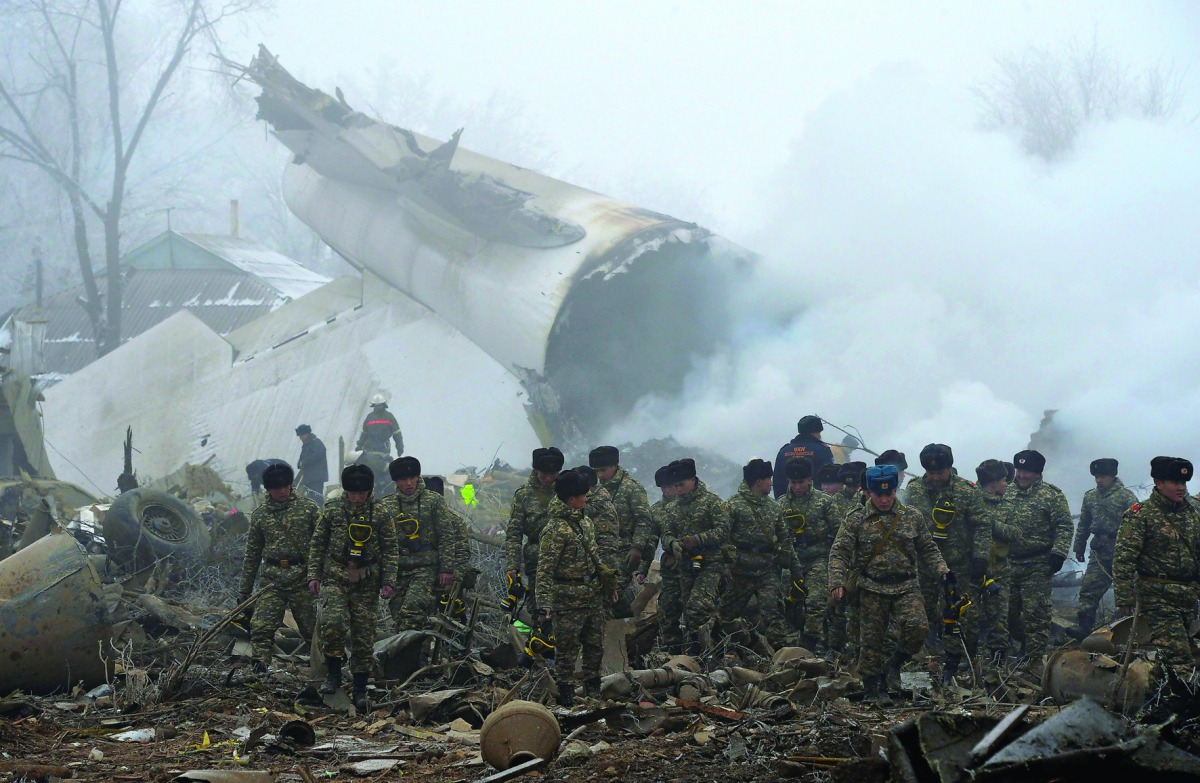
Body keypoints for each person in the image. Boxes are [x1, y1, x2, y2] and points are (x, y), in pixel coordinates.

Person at [829, 465, 950, 702]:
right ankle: (873, 689)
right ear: (868, 492)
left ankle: (894, 664)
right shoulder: (856, 518)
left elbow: (928, 548)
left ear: (895, 490)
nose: (884, 500)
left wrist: (943, 572)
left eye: (889, 494)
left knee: (918, 628)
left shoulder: (911, 516)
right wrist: (836, 581)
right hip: (871, 588)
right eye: (878, 494)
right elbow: (839, 552)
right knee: (871, 642)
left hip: (906, 586)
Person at [307, 464, 399, 712]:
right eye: (353, 493)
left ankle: (360, 687)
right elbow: (318, 544)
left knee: (363, 635)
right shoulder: (333, 510)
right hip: (336, 576)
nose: (357, 498)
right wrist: (313, 575)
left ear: (369, 491)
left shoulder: (380, 513)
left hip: (367, 580)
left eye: (362, 493)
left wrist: (388, 581)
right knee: (333, 623)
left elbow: (391, 549)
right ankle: (333, 674)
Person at [903, 443, 991, 683]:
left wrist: (981, 556)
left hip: (957, 564)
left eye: (940, 472)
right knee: (922, 610)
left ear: (950, 468)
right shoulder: (915, 490)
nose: (935, 478)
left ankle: (956, 659)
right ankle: (923, 654)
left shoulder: (967, 491)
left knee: (957, 612)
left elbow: (982, 525)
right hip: (924, 564)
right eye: (930, 473)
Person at [1113, 457, 1200, 668]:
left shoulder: (1192, 513)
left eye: (1183, 483)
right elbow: (1124, 558)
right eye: (1175, 483)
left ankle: (1155, 685)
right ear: (1159, 483)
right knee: (1179, 658)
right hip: (1157, 597)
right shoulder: (1140, 515)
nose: (1181, 488)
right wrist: (1124, 596)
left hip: (1188, 596)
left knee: (1179, 655)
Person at [238, 462, 320, 675]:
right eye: (277, 488)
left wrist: (318, 576)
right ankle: (260, 672)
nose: (283, 491)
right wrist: (245, 589)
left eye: (286, 486)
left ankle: (323, 672)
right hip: (272, 580)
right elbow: (252, 554)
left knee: (312, 630)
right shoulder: (260, 515)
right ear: (268, 490)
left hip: (302, 578)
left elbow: (322, 545)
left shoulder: (308, 509)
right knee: (260, 627)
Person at [537, 470, 611, 705]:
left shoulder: (585, 522)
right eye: (583, 496)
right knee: (567, 650)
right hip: (567, 599)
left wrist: (606, 584)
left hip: (592, 594)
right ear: (571, 500)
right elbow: (545, 569)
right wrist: (544, 603)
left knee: (595, 646)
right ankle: (567, 697)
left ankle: (593, 692)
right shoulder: (556, 530)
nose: (587, 499)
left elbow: (594, 556)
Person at [378, 456, 469, 634]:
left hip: (426, 568)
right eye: (404, 479)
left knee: (412, 610)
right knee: (399, 616)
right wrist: (385, 577)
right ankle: (415, 648)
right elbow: (383, 544)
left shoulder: (433, 501)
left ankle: (415, 648)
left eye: (412, 478)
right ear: (396, 481)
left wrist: (447, 569)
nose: (409, 483)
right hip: (399, 570)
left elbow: (446, 535)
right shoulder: (387, 505)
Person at [1002, 449, 1072, 672]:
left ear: (1038, 473)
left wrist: (1058, 554)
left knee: (1036, 614)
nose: (1022, 476)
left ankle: (1034, 660)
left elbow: (1064, 526)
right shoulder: (1006, 492)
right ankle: (1021, 642)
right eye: (1019, 470)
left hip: (1038, 563)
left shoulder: (1052, 495)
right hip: (1008, 563)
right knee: (1007, 612)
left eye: (1027, 472)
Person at [720, 458, 794, 647]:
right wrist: (725, 565)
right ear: (759, 481)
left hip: (766, 570)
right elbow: (722, 537)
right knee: (726, 614)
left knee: (773, 612)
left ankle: (780, 652)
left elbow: (784, 538)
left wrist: (792, 565)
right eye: (769, 479)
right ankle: (725, 648)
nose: (771, 483)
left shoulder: (774, 507)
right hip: (740, 571)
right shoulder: (733, 505)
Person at [660, 458, 731, 654]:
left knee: (697, 607)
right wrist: (672, 544)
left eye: (681, 485)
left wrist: (698, 540)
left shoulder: (712, 502)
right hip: (686, 566)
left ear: (693, 480)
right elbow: (666, 534)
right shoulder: (672, 508)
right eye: (675, 486)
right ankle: (697, 653)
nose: (678, 490)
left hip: (711, 564)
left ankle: (713, 652)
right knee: (689, 614)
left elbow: (723, 531)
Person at [778, 457, 841, 650]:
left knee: (816, 601)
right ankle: (790, 641)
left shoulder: (824, 502)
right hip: (791, 560)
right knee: (788, 603)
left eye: (801, 482)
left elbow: (838, 532)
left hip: (818, 558)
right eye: (793, 482)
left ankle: (810, 642)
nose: (797, 487)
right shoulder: (781, 504)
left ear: (810, 480)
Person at [1073, 458, 1138, 636]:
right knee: (1088, 590)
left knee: (1128, 592)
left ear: (1112, 476)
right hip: (1099, 552)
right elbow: (1084, 524)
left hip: (1122, 552)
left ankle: (1128, 630)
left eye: (1102, 477)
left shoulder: (1126, 497)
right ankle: (1083, 628)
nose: (1099, 481)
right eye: (1096, 477)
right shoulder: (1090, 496)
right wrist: (1079, 547)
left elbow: (1137, 525)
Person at [504, 447, 564, 617]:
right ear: (536, 470)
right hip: (536, 560)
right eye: (544, 474)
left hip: (566, 561)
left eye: (553, 474)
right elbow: (514, 534)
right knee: (539, 610)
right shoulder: (524, 495)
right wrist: (513, 567)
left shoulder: (566, 490)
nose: (548, 478)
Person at [974, 459, 1018, 665]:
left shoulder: (1008, 506)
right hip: (974, 569)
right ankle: (968, 657)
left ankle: (998, 661)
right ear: (993, 483)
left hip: (1000, 569)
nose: (1007, 484)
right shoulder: (971, 502)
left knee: (998, 616)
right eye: (1003, 480)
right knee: (969, 614)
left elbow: (1016, 533)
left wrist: (991, 524)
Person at [591, 446, 652, 587]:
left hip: (623, 552)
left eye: (603, 470)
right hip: (600, 552)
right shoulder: (596, 490)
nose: (600, 475)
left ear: (614, 466)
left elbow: (643, 519)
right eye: (596, 471)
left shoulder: (631, 488)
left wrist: (637, 548)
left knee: (616, 590)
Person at [773, 415, 834, 498]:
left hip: (787, 502)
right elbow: (829, 477)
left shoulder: (784, 451)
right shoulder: (822, 450)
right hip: (816, 502)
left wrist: (780, 502)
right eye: (819, 433)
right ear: (815, 433)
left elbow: (777, 481)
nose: (820, 436)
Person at [295, 425, 329, 506]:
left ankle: (319, 512)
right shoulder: (306, 445)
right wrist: (299, 463)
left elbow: (316, 456)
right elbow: (302, 458)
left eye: (301, 436)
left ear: (306, 434)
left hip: (316, 477)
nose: (300, 438)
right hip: (309, 478)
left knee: (316, 499)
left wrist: (303, 462)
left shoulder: (316, 443)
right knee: (311, 500)